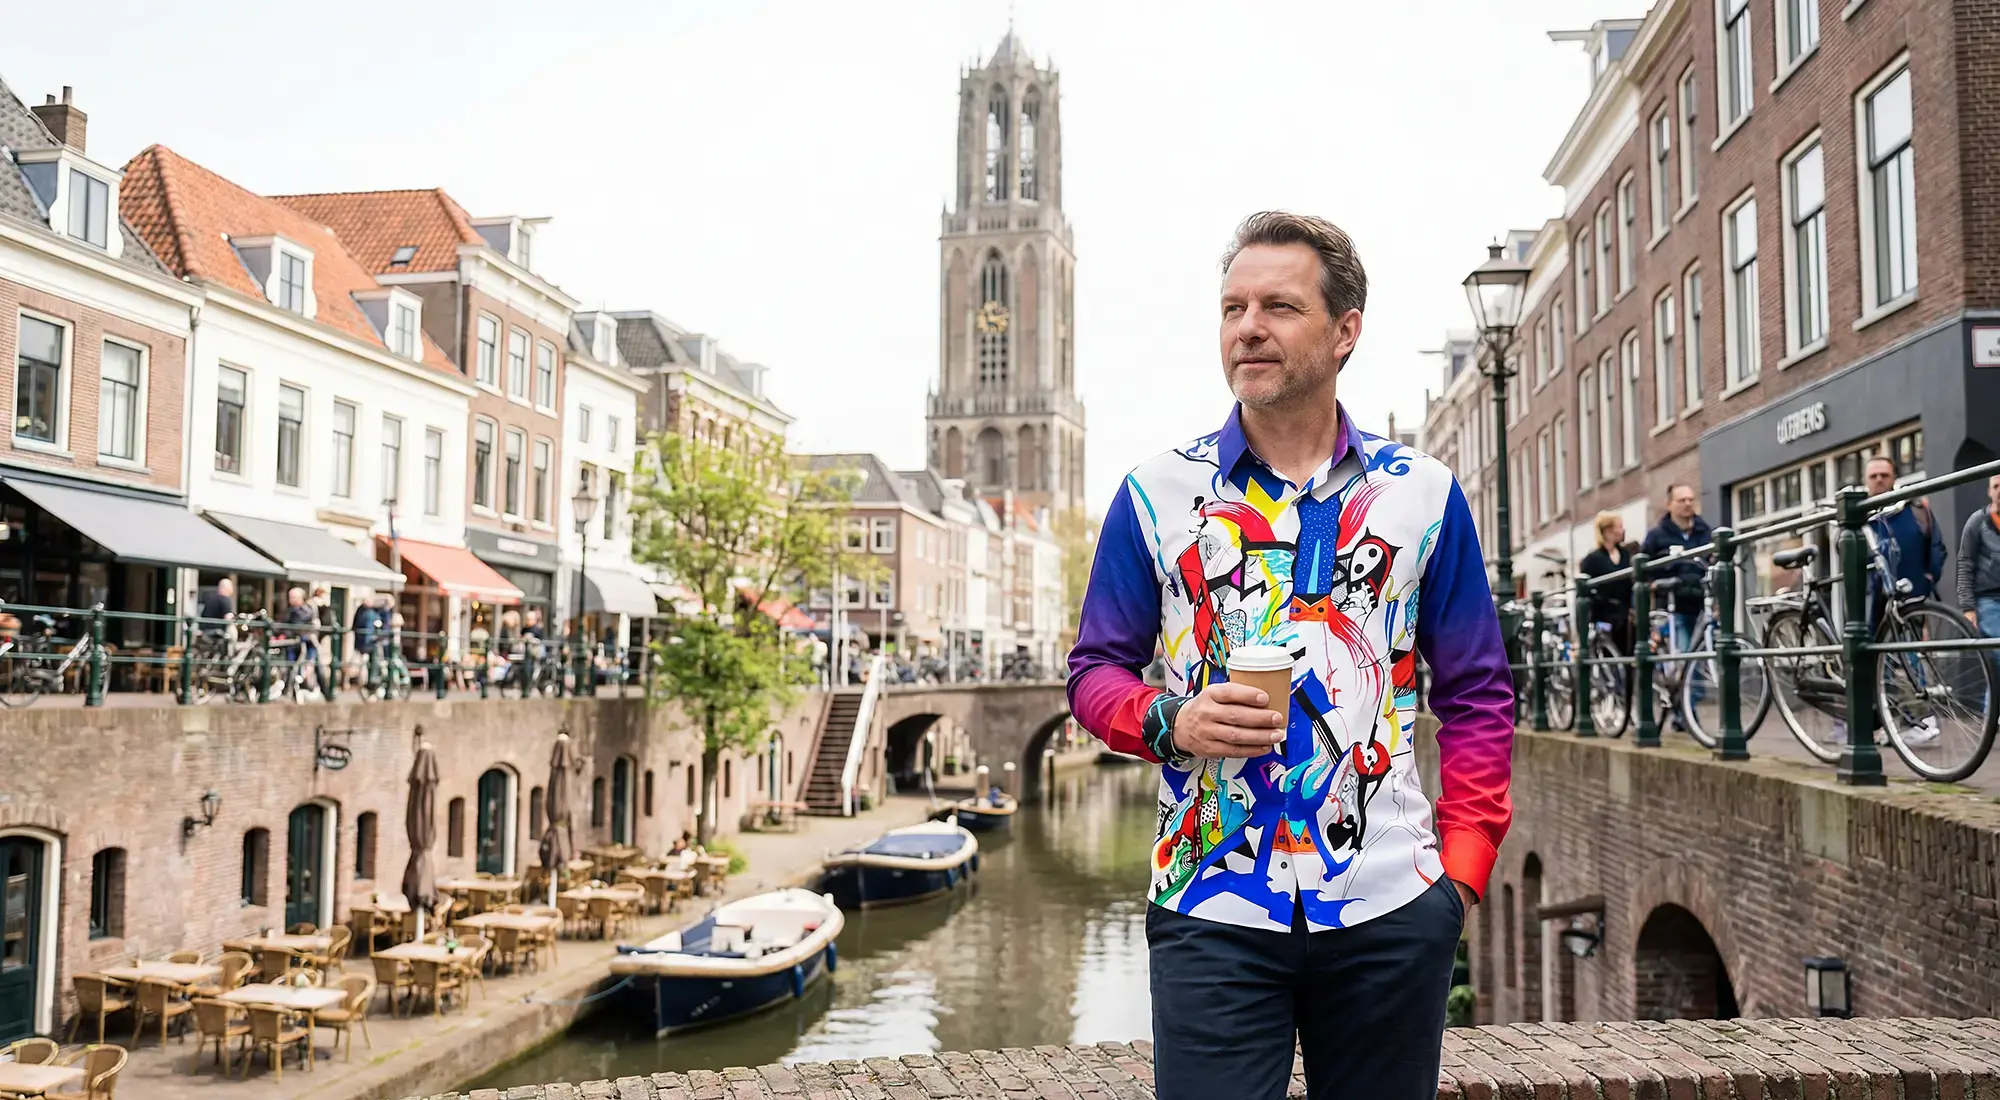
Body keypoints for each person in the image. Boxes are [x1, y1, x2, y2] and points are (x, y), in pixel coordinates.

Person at [1066, 212, 1513, 1100]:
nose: (1248, 327)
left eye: (1279, 305)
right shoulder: (1155, 495)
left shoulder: (1421, 496)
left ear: (1346, 330)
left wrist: (1458, 875)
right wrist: (1171, 718)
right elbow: (1093, 676)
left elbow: (1477, 695)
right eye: (1232, 307)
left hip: (1391, 902)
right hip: (1210, 904)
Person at [1640, 485, 1712, 654]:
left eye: (1691, 499)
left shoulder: (1705, 532)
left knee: (1705, 650)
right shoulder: (1656, 536)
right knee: (1685, 653)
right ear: (1669, 504)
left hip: (1700, 600)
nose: (1687, 504)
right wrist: (1653, 585)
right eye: (1682, 500)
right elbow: (1642, 569)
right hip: (1672, 604)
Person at [1865, 455, 1947, 602]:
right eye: (1873, 476)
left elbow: (1936, 544)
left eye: (1884, 475)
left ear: (1894, 477)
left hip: (1913, 594)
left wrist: (1929, 578)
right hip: (1871, 598)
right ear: (1866, 480)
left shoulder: (1915, 509)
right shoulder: (1858, 516)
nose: (1879, 479)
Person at [1579, 511, 1635, 655]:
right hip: (1604, 614)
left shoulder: (1625, 554)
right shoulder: (1592, 559)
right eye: (1619, 526)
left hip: (1624, 612)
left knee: (1628, 653)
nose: (1623, 530)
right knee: (1609, 653)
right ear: (1608, 530)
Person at [1958, 472, 2000, 655]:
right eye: (1996, 486)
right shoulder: (1978, 521)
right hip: (1989, 600)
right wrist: (1968, 607)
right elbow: (1965, 563)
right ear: (1989, 491)